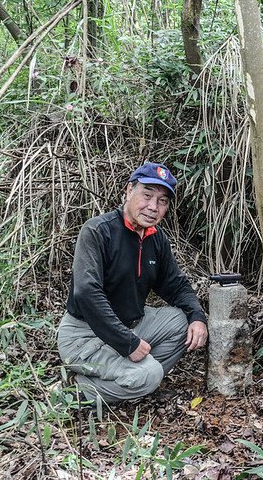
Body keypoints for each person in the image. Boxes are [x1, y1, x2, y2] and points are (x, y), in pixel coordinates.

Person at [57, 162, 208, 404]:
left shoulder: (156, 239)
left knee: (182, 322)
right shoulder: (98, 231)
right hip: (85, 334)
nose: (153, 207)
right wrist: (128, 344)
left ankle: (133, 380)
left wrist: (197, 317)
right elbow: (87, 293)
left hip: (131, 324)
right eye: (147, 195)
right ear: (129, 191)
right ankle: (78, 390)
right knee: (149, 375)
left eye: (162, 201)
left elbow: (176, 285)